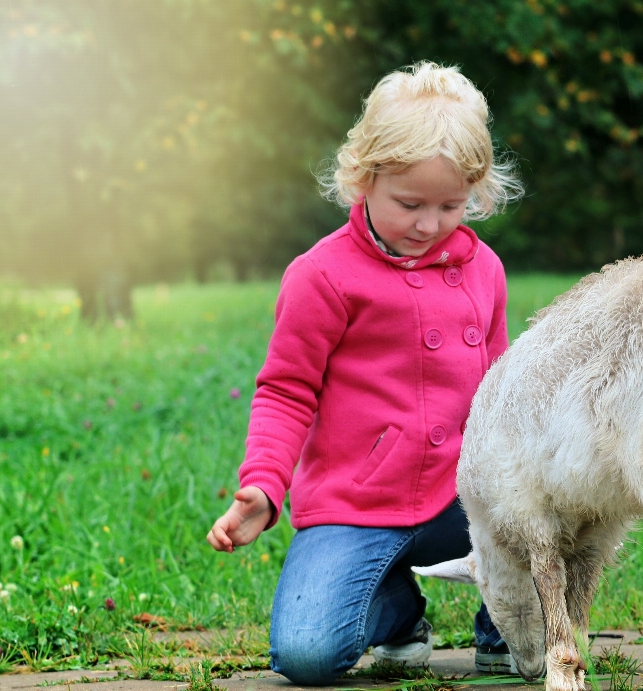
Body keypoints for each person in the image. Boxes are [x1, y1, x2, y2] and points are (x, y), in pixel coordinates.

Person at [206, 61, 524, 686]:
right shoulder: (322, 275)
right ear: (363, 178)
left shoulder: (485, 270)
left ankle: (506, 628)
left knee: (537, 517)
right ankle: (396, 614)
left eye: (451, 205)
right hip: (359, 503)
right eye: (409, 204)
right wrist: (265, 486)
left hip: (466, 498)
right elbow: (286, 389)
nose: (429, 224)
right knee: (305, 656)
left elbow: (502, 391)